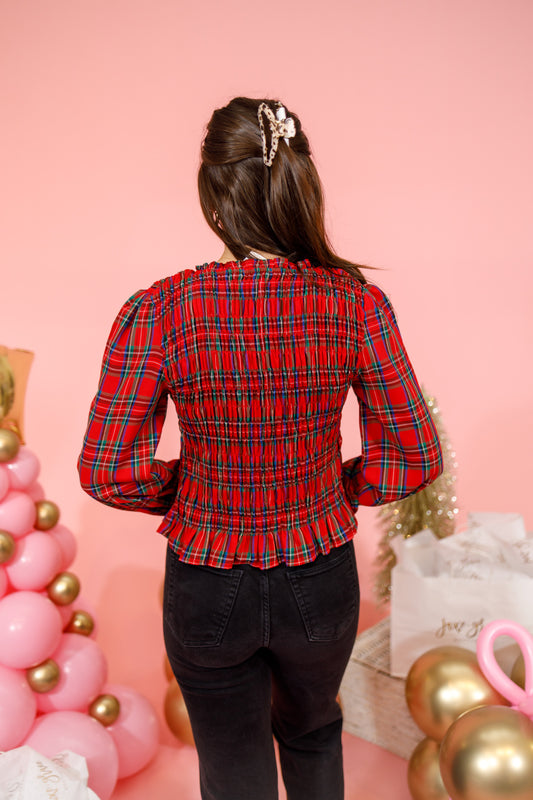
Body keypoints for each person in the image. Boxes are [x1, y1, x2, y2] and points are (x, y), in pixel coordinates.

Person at [78, 96, 443, 800]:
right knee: (313, 732)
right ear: (300, 183)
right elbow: (414, 454)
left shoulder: (158, 309)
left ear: (212, 196)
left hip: (207, 578)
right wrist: (335, 487)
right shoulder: (355, 303)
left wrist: (191, 491)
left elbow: (106, 471)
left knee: (232, 768)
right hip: (320, 571)